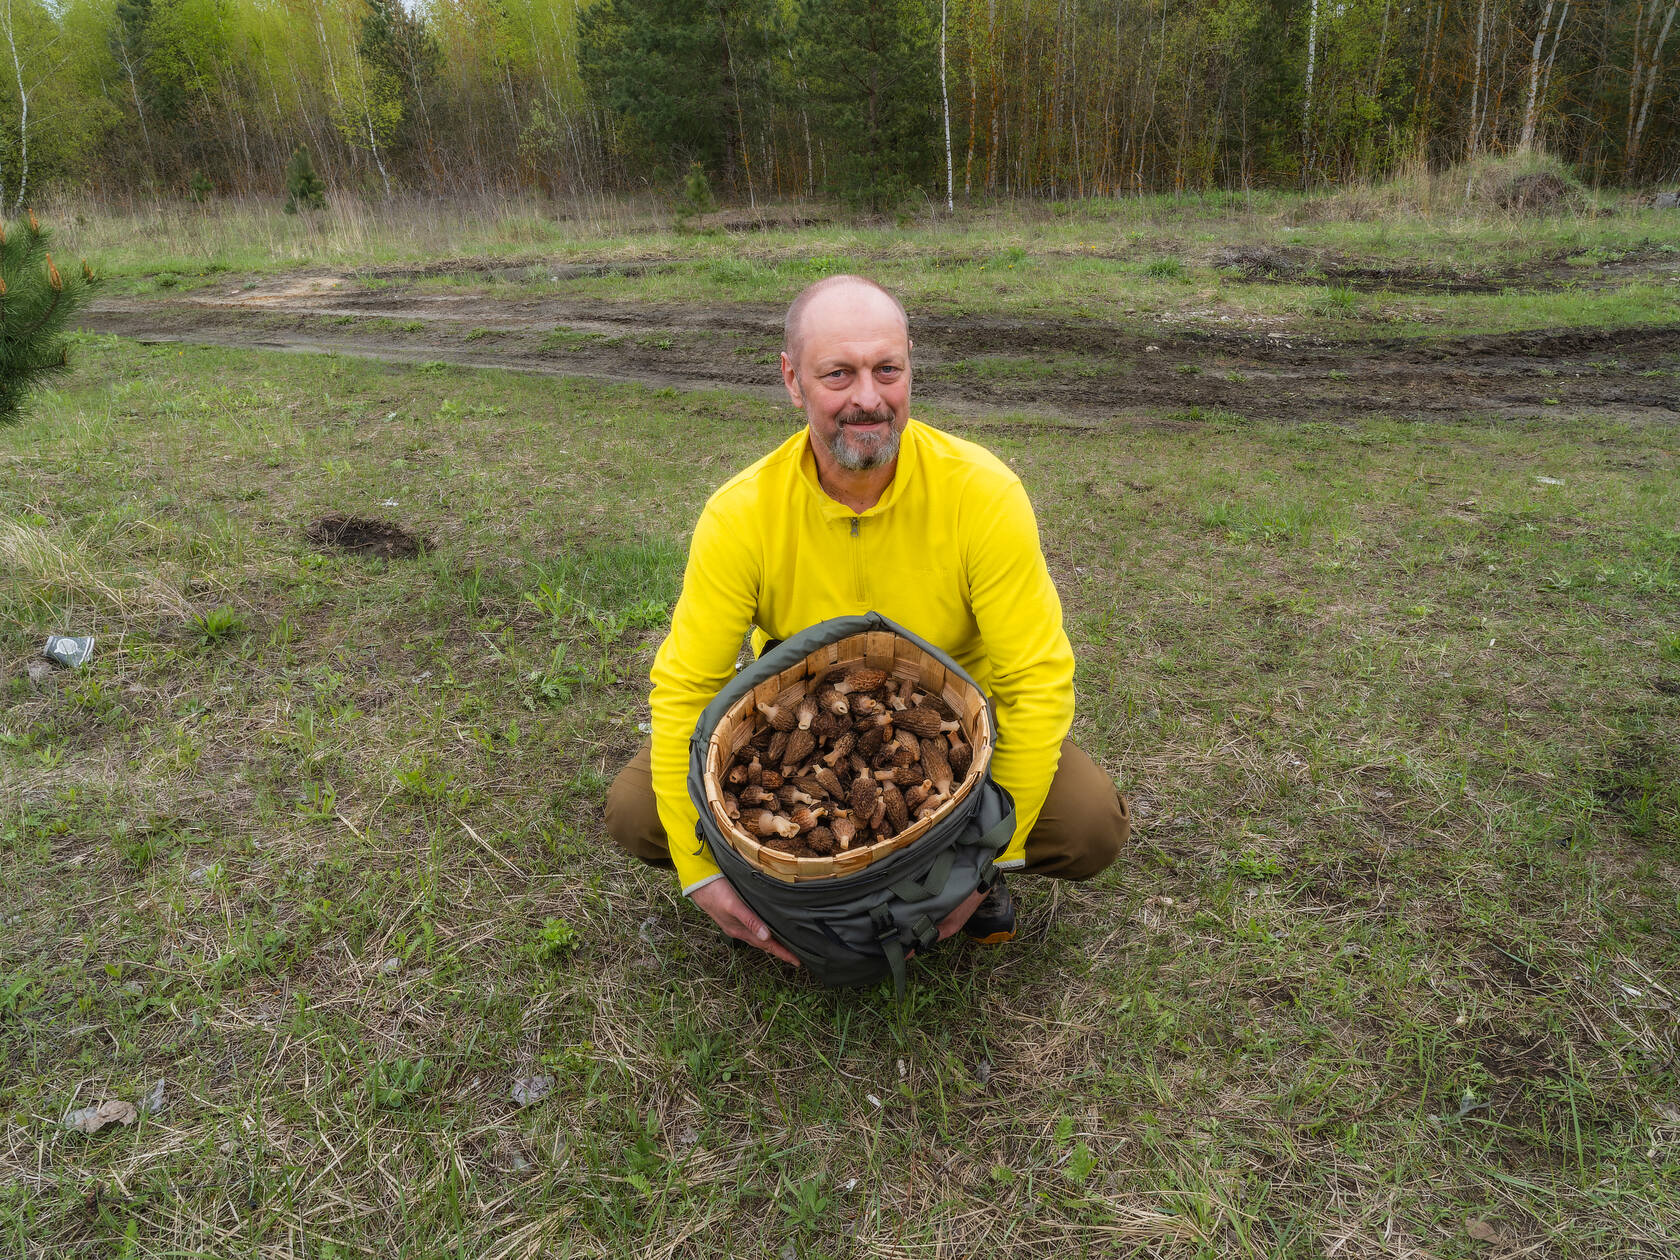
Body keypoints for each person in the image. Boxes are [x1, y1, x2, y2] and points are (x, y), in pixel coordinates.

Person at [606, 275, 1129, 967]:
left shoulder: (981, 494)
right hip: (801, 721)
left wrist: (982, 860)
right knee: (637, 811)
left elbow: (1037, 681)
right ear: (792, 380)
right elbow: (685, 688)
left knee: (1089, 823)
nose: (868, 398)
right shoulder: (742, 515)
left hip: (955, 726)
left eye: (888, 369)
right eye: (838, 374)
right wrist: (698, 869)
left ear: (911, 367)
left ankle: (954, 879)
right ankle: (790, 889)